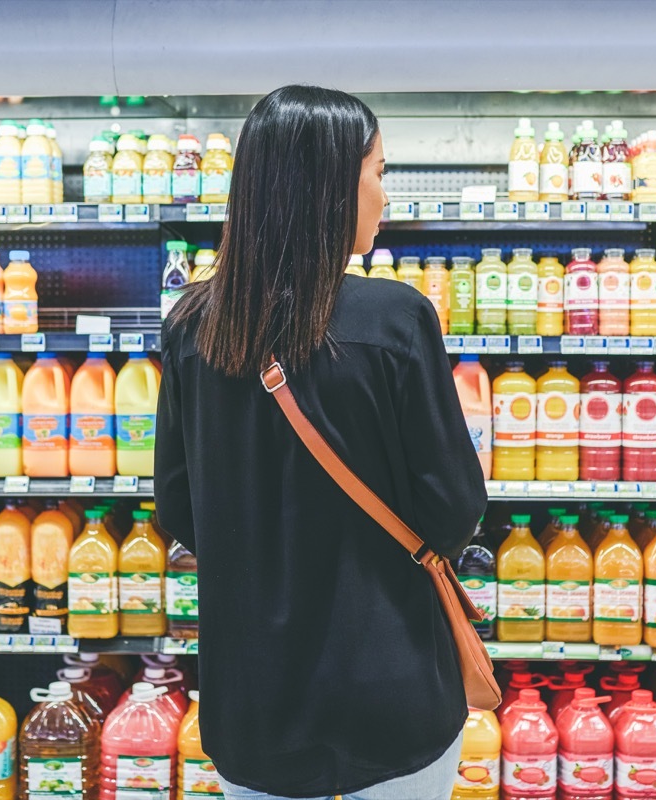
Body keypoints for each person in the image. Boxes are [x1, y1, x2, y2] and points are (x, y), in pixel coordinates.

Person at [155, 85, 487, 800]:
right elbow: (455, 506)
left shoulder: (192, 328)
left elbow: (180, 509)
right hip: (391, 685)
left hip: (255, 701)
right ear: (334, 187)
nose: (385, 195)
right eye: (379, 173)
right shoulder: (395, 320)